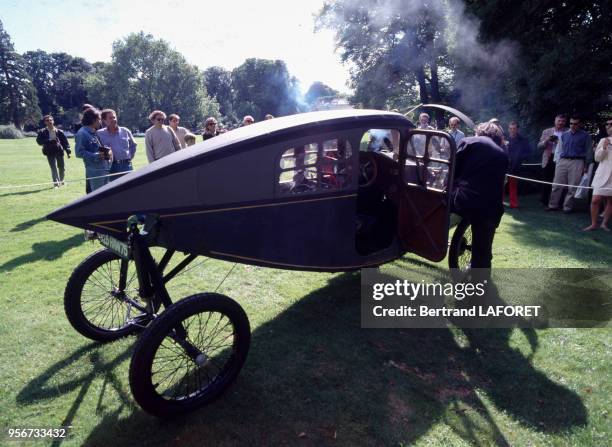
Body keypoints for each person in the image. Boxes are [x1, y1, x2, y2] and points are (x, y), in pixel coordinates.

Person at [451, 121, 509, 268]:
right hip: (490, 208)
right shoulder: (502, 154)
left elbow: (453, 169)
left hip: (464, 200)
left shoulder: (469, 141)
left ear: (480, 132)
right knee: (483, 252)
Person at [547, 116, 593, 213]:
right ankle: (552, 205)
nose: (573, 125)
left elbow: (589, 151)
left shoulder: (585, 135)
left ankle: (567, 208)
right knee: (556, 184)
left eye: (575, 124)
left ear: (579, 124)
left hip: (577, 161)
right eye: (571, 123)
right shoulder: (564, 135)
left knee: (572, 187)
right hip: (563, 160)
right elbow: (559, 149)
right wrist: (557, 160)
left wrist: (586, 165)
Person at [584, 119, 612, 231]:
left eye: (611, 124)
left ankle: (604, 223)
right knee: (595, 199)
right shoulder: (603, 140)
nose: (608, 126)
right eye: (607, 124)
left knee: (610, 200)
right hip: (602, 173)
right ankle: (593, 224)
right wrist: (604, 147)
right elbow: (597, 158)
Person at [75, 108, 112, 191]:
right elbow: (78, 152)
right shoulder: (82, 133)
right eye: (99, 119)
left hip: (104, 169)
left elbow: (97, 147)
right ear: (93, 120)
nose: (100, 121)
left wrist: (107, 151)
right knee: (98, 197)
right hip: (95, 171)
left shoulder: (94, 132)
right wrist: (97, 155)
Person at [97, 109, 137, 180]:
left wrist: (129, 157)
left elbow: (133, 145)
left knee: (130, 188)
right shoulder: (99, 134)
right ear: (104, 120)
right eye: (110, 118)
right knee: (115, 189)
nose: (113, 120)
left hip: (126, 166)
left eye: (114, 117)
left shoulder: (125, 131)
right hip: (111, 167)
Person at [537, 114, 567, 207]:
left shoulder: (567, 132)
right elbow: (539, 146)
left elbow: (568, 147)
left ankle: (559, 202)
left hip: (561, 159)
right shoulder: (547, 131)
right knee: (546, 180)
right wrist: (547, 140)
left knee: (560, 182)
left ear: (565, 122)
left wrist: (559, 143)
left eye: (562, 121)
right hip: (549, 158)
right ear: (555, 121)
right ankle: (544, 201)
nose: (560, 123)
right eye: (559, 121)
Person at [36, 115, 71, 188]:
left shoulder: (59, 131)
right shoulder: (42, 132)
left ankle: (61, 181)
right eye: (47, 120)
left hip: (59, 151)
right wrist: (49, 141)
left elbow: (65, 142)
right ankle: (56, 183)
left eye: (50, 120)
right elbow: (39, 141)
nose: (49, 121)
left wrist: (67, 150)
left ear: (53, 121)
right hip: (49, 151)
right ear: (45, 122)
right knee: (53, 167)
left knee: (61, 167)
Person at [505, 121, 532, 208]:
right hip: (504, 165)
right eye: (511, 128)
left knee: (513, 186)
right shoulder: (504, 138)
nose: (512, 130)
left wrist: (520, 157)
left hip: (515, 165)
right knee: (500, 185)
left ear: (517, 129)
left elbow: (528, 152)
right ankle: (499, 202)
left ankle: (513, 204)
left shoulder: (523, 140)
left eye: (514, 128)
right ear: (508, 129)